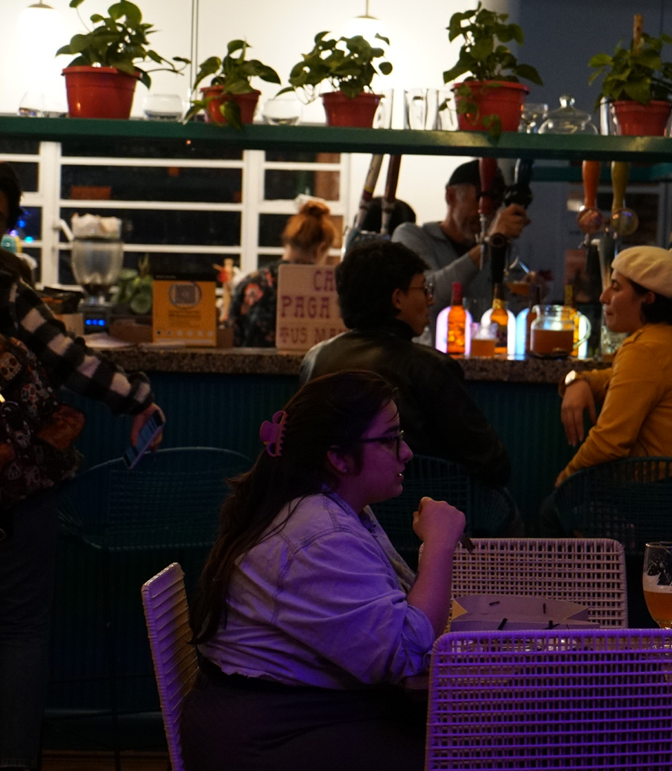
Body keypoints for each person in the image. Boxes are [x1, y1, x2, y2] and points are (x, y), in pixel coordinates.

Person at [0, 187, 162, 771]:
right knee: (22, 632)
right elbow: (70, 358)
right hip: (15, 487)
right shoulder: (4, 292)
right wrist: (137, 397)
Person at [182, 370, 466, 770]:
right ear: (337, 457)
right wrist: (439, 546)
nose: (406, 453)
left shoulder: (334, 509)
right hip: (269, 737)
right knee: (468, 749)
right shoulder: (319, 536)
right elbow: (409, 654)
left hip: (302, 713)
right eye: (390, 439)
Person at [299, 241, 511, 488]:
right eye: (424, 289)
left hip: (335, 513)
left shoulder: (315, 358)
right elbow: (492, 463)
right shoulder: (431, 367)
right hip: (422, 515)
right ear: (398, 298)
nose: (430, 300)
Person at [556, 246, 672, 486]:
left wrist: (564, 481)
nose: (604, 297)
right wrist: (579, 380)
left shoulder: (645, 348)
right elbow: (624, 378)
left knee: (553, 512)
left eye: (616, 287)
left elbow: (608, 444)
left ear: (648, 298)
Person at [392, 160, 530, 330]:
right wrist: (488, 245)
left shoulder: (497, 247)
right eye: (479, 201)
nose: (488, 214)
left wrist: (524, 296)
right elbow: (430, 297)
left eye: (494, 206)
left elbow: (503, 315)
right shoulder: (413, 236)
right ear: (450, 196)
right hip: (429, 355)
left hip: (481, 353)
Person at [231, 198, 338, 347]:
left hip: (251, 369)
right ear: (320, 248)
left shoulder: (251, 284)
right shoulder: (328, 291)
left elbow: (232, 337)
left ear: (287, 242)